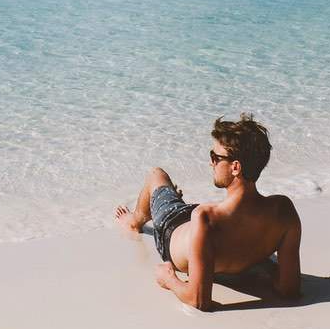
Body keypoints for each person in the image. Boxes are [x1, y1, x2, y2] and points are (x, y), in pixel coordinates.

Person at [114, 113, 302, 311]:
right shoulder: (284, 211)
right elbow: (289, 289)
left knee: (156, 175)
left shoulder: (206, 218)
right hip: (207, 225)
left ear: (235, 167)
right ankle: (173, 201)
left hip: (172, 227)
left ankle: (134, 220)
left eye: (215, 157)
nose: (211, 163)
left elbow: (199, 300)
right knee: (195, 209)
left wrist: (168, 279)